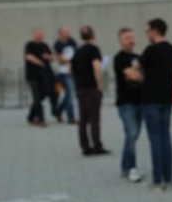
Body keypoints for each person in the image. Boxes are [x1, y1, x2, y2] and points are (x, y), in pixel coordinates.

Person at [136, 18, 172, 191]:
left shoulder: (150, 50)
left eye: (147, 30)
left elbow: (139, 68)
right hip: (166, 99)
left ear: (154, 31)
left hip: (151, 99)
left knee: (155, 139)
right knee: (166, 137)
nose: (146, 34)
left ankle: (157, 179)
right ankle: (168, 178)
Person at [71, 26, 109, 156]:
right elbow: (97, 67)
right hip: (92, 88)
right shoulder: (94, 49)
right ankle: (97, 145)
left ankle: (85, 146)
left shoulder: (78, 50)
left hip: (80, 88)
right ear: (93, 35)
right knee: (94, 119)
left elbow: (71, 69)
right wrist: (99, 84)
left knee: (83, 118)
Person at [113, 27, 143, 182]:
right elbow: (132, 75)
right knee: (131, 133)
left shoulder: (138, 56)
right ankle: (132, 167)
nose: (130, 40)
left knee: (134, 135)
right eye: (126, 38)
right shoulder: (120, 58)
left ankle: (125, 167)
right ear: (120, 40)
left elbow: (142, 74)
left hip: (140, 101)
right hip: (126, 103)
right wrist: (138, 74)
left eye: (132, 37)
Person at [24, 28, 53, 127]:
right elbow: (28, 57)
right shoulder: (29, 45)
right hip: (32, 76)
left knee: (42, 96)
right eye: (38, 35)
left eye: (41, 36)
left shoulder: (44, 45)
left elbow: (50, 57)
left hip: (43, 76)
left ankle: (30, 116)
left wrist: (47, 57)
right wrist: (39, 62)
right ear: (34, 36)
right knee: (36, 96)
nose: (40, 37)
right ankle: (40, 119)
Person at [53, 26, 77, 124]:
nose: (67, 33)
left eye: (68, 31)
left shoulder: (72, 41)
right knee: (70, 95)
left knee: (69, 95)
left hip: (73, 71)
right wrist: (71, 61)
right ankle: (71, 117)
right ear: (60, 33)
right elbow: (60, 59)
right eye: (65, 32)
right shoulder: (58, 44)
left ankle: (58, 112)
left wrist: (71, 62)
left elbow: (77, 53)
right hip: (64, 73)